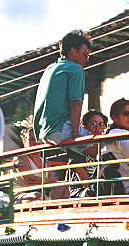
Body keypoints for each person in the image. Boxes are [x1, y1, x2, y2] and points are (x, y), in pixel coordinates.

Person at [33, 31, 98, 163]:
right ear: (73, 51)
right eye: (85, 54)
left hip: (45, 131)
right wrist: (76, 135)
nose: (87, 59)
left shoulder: (50, 69)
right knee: (105, 147)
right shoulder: (75, 69)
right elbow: (76, 103)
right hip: (61, 126)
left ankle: (88, 182)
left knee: (83, 156)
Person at [102, 98, 129, 195]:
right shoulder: (123, 134)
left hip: (119, 186)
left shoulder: (110, 134)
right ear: (115, 117)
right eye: (126, 113)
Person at [16, 127, 61, 201]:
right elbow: (31, 182)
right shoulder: (21, 158)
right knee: (36, 195)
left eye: (38, 139)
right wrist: (48, 181)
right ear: (24, 141)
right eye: (31, 139)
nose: (36, 143)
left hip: (44, 192)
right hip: (23, 194)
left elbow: (53, 184)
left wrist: (44, 181)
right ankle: (50, 201)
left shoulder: (45, 162)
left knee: (65, 188)